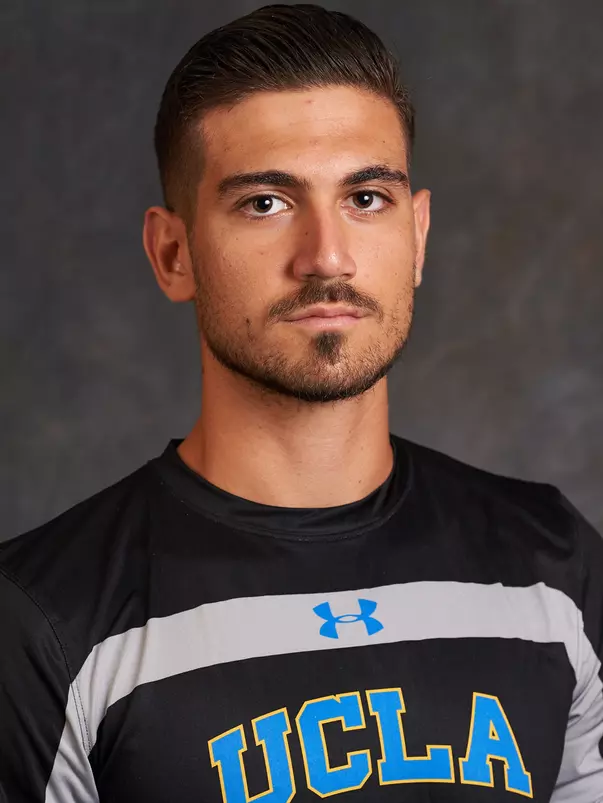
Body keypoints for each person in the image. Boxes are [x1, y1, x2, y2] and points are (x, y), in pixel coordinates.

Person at [1, 3, 602, 802]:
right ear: (172, 253)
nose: (326, 255)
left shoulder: (547, 570)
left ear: (416, 236)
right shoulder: (46, 615)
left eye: (365, 198)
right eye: (265, 203)